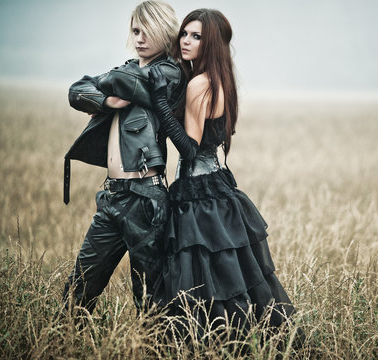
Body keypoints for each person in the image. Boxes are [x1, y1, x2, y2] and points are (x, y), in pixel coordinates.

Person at [149, 9, 295, 333]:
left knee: (200, 280)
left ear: (211, 42)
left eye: (196, 36)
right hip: (217, 187)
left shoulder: (199, 84)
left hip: (197, 194)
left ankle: (209, 342)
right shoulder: (220, 79)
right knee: (230, 276)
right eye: (184, 33)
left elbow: (189, 148)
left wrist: (159, 104)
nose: (185, 41)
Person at [62, 0, 186, 315]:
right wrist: (105, 102)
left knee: (150, 303)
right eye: (135, 30)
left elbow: (135, 84)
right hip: (113, 195)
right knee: (78, 291)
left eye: (148, 30)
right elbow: (76, 90)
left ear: (166, 32)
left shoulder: (169, 74)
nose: (140, 37)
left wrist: (104, 84)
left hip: (147, 198)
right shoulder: (129, 69)